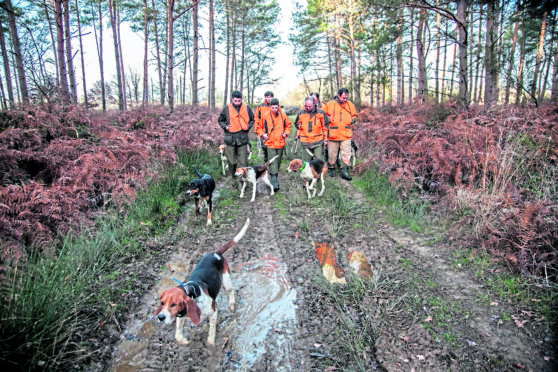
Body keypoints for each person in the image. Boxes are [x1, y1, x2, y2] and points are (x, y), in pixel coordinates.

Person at [218, 90, 255, 181]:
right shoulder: (226, 108)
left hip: (242, 137)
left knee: (243, 161)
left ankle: (242, 180)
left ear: (241, 99)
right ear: (232, 99)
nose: (238, 103)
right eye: (235, 101)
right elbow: (220, 120)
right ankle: (234, 178)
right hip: (230, 138)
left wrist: (248, 126)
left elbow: (252, 119)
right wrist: (225, 127)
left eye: (239, 101)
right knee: (231, 161)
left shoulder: (247, 108)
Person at [256, 98, 292, 191]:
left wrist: (286, 133)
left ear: (278, 106)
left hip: (280, 142)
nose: (275, 109)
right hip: (270, 143)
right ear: (270, 107)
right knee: (272, 161)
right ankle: (274, 181)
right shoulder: (265, 115)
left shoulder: (283, 115)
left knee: (278, 162)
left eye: (276, 107)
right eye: (273, 108)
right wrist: (263, 134)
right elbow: (259, 127)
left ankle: (274, 175)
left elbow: (288, 125)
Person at [324, 87, 357, 180]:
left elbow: (355, 116)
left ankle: (344, 170)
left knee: (346, 153)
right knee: (332, 153)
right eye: (343, 98)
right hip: (333, 134)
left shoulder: (350, 105)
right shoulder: (330, 104)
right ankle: (331, 168)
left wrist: (352, 119)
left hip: (346, 134)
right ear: (338, 95)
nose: (345, 100)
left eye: (346, 98)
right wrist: (328, 119)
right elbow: (323, 116)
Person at [294, 96, 329, 162]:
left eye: (310, 106)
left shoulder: (321, 113)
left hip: (318, 141)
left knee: (318, 162)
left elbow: (325, 127)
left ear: (314, 104)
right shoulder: (301, 113)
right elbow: (296, 124)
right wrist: (300, 126)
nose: (308, 108)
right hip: (305, 141)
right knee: (306, 163)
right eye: (306, 106)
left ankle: (318, 172)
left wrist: (326, 139)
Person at [255, 91, 274, 162]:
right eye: (267, 97)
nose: (269, 98)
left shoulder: (275, 105)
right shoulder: (260, 106)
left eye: (270, 97)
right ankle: (266, 160)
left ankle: (272, 162)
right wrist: (258, 131)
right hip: (264, 131)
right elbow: (257, 119)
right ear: (265, 97)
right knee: (265, 147)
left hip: (273, 130)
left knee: (272, 148)